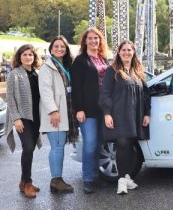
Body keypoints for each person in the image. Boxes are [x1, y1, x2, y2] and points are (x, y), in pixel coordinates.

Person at [99, 40, 150, 195]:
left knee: (130, 145)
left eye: (129, 50)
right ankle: (121, 181)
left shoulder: (137, 71)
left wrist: (147, 113)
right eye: (123, 50)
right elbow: (105, 94)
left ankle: (127, 177)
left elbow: (146, 94)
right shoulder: (112, 71)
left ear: (133, 52)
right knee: (122, 144)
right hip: (119, 114)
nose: (126, 52)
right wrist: (107, 113)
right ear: (119, 53)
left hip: (135, 115)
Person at [71, 28, 109, 194]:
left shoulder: (103, 59)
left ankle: (95, 176)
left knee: (99, 144)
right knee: (90, 144)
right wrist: (78, 109)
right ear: (85, 41)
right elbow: (76, 87)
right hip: (87, 110)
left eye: (97, 38)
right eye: (91, 38)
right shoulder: (80, 60)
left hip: (102, 109)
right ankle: (87, 179)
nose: (94, 41)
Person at [39, 36, 78, 193]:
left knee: (59, 146)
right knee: (56, 147)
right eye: (56, 46)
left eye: (63, 46)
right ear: (51, 48)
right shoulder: (47, 67)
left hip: (65, 111)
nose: (60, 49)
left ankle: (57, 179)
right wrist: (53, 111)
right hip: (55, 113)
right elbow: (45, 91)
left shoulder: (66, 65)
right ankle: (56, 180)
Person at [5, 44, 42, 198]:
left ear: (34, 57)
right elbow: (10, 98)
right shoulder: (14, 74)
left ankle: (23, 180)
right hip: (23, 118)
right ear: (19, 57)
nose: (28, 57)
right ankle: (27, 183)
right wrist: (16, 118)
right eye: (25, 54)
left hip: (36, 118)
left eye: (30, 54)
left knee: (31, 150)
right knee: (27, 148)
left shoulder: (38, 74)